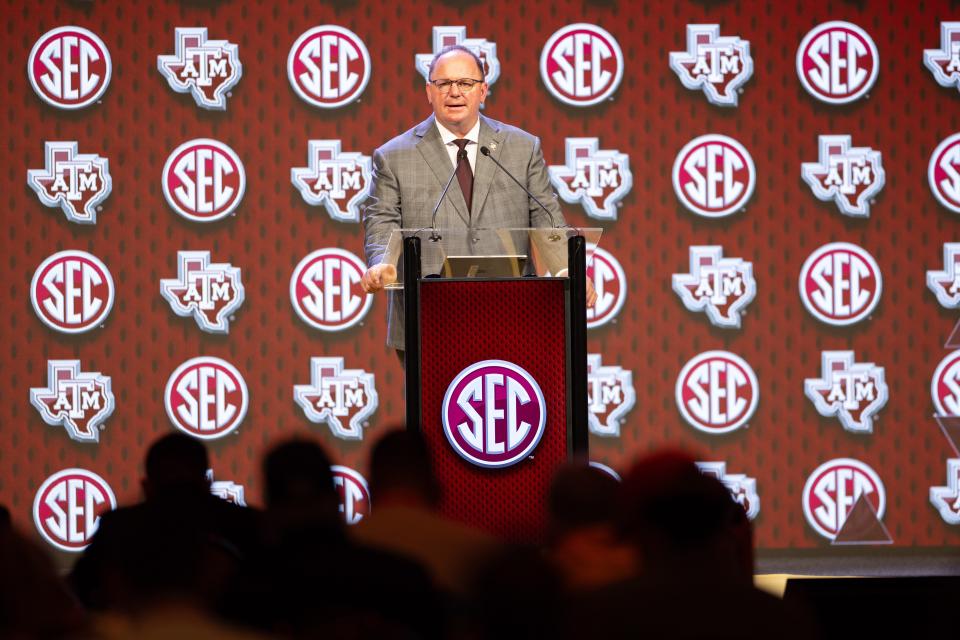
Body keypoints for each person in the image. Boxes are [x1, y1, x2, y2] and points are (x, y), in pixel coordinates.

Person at [361, 45, 595, 354]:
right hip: (428, 321)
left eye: (465, 83)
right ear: (429, 91)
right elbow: (381, 219)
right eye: (443, 84)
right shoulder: (394, 156)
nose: (454, 92)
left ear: (483, 91)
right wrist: (382, 263)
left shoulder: (521, 148)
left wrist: (566, 268)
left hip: (513, 314)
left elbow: (545, 216)